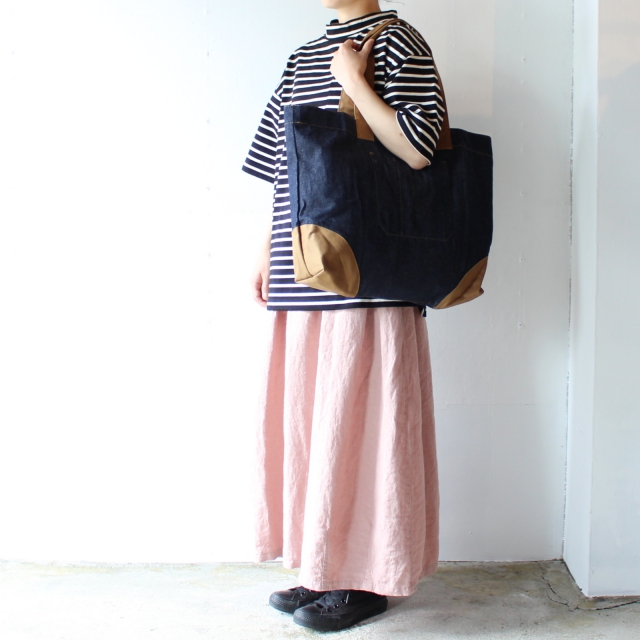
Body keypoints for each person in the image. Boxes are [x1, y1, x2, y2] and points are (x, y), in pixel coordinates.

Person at [242, 0, 443, 632]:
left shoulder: (399, 41)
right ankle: (323, 563)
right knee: (311, 421)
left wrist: (354, 82)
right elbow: (283, 166)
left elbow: (419, 150)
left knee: (365, 424)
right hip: (304, 265)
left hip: (369, 272)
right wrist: (266, 251)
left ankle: (369, 574)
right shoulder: (301, 57)